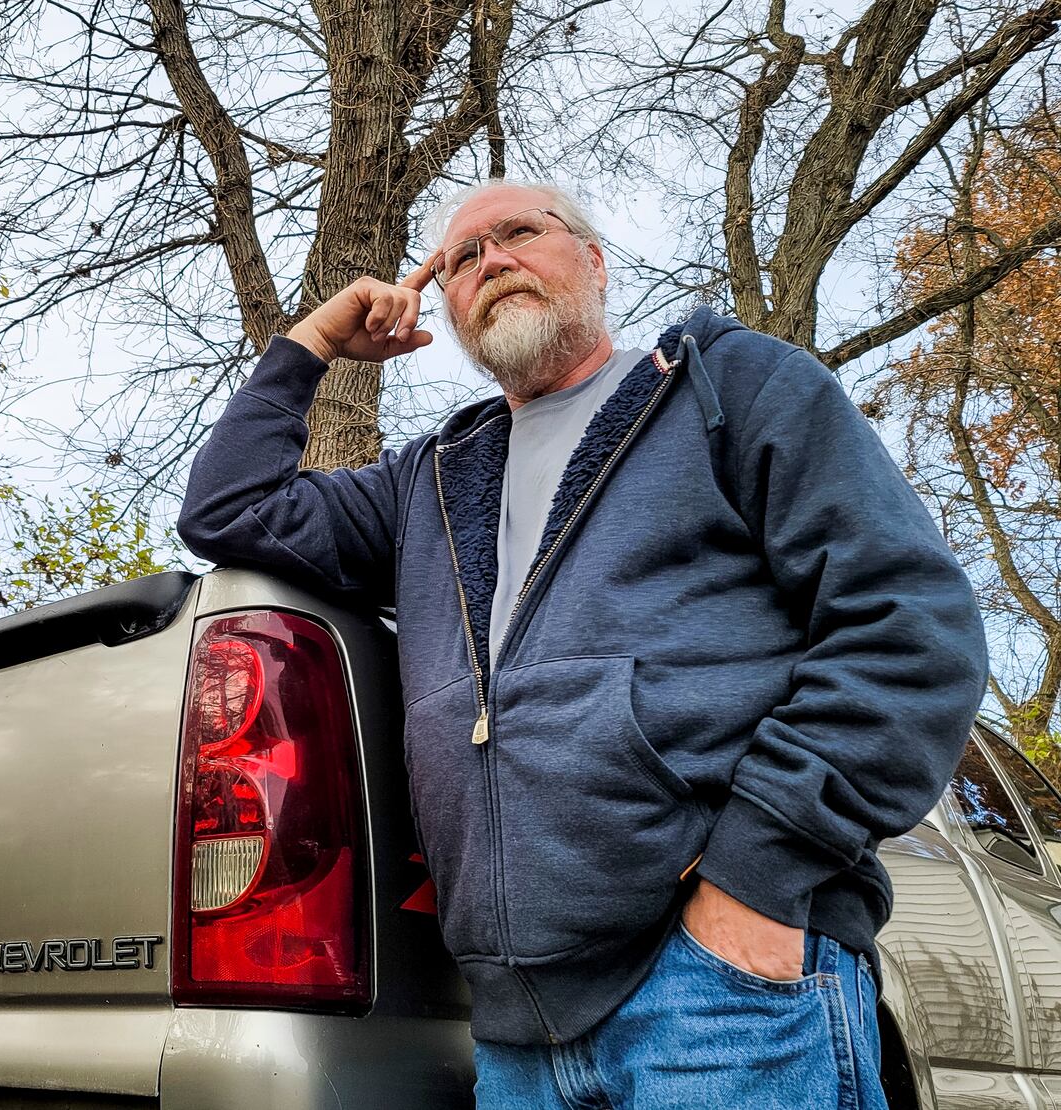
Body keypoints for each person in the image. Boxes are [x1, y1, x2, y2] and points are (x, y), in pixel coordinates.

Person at [176, 179, 990, 1108]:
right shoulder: (428, 483)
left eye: (520, 233)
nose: (491, 262)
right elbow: (228, 510)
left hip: (720, 994)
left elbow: (909, 627)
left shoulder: (728, 389)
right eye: (460, 259)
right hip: (516, 1035)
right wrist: (313, 344)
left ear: (594, 262)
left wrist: (754, 884)